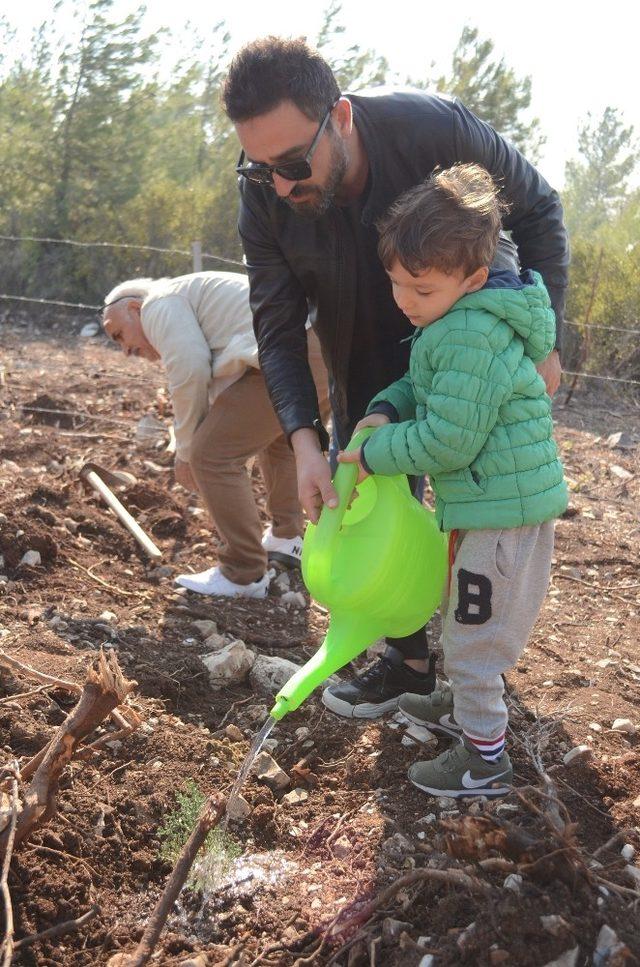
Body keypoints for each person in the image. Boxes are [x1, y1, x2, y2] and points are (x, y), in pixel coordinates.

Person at [222, 36, 569, 715]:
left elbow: (539, 209)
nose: (282, 185)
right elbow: (276, 319)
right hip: (358, 339)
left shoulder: (433, 130)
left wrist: (543, 333)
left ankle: (477, 657)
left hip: (467, 329)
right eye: (261, 169)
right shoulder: (263, 193)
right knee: (367, 482)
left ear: (341, 118)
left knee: (483, 491)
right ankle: (409, 656)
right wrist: (302, 442)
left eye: (294, 162)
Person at [337, 164, 568, 796]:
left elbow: (449, 439)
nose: (404, 300)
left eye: (421, 288)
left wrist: (377, 451)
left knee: (473, 638)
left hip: (502, 513)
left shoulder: (470, 331)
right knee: (463, 619)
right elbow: (424, 386)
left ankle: (484, 759)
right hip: (489, 504)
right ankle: (466, 709)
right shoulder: (455, 319)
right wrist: (386, 405)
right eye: (395, 282)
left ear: (471, 278)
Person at [102, 271, 330, 598]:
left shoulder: (158, 303)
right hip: (319, 347)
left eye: (119, 335)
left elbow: (191, 368)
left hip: (291, 350)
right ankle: (286, 538)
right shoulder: (188, 295)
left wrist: (185, 453)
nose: (125, 350)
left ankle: (243, 573)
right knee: (281, 442)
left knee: (210, 455)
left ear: (135, 308)